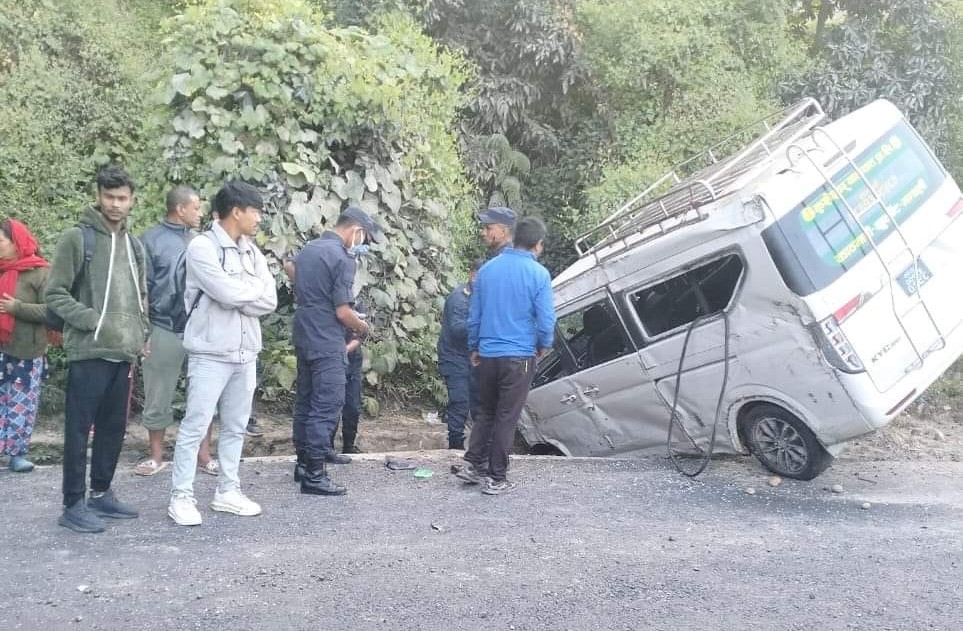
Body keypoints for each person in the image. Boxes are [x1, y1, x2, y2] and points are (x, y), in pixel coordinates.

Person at [167, 180, 277, 526]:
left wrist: (242, 294)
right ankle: (181, 497)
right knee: (196, 425)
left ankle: (227, 491)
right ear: (237, 211)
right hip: (210, 353)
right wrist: (249, 293)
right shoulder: (202, 247)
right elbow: (225, 292)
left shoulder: (251, 251)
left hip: (246, 354)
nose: (259, 219)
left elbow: (270, 300)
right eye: (255, 211)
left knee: (235, 426)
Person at [47, 165, 149, 533]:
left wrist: (142, 334)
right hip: (88, 351)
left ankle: (101, 493)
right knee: (78, 430)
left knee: (113, 428)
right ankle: (72, 503)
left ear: (131, 199)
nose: (116, 204)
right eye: (109, 197)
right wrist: (91, 319)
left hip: (123, 352)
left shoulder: (134, 244)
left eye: (122, 198)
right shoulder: (78, 238)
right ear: (98, 196)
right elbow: (54, 292)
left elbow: (141, 296)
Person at [456, 217, 556, 495]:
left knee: (486, 412)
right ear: (538, 245)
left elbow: (474, 315)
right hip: (519, 356)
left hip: (487, 354)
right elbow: (546, 320)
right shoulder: (538, 274)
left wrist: (474, 347)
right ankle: (496, 478)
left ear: (514, 238)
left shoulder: (487, 271)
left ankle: (472, 464)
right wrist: (542, 344)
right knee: (507, 417)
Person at [292, 206, 380, 496]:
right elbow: (343, 312)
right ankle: (315, 474)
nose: (364, 244)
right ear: (356, 230)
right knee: (327, 404)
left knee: (305, 402)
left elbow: (289, 268)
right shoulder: (343, 258)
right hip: (327, 338)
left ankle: (303, 464)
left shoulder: (309, 249)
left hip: (304, 333)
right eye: (365, 238)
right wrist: (363, 328)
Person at [135, 186, 218, 477]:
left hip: (199, 329)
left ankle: (204, 455)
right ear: (180, 209)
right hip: (163, 328)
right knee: (158, 394)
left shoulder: (202, 242)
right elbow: (139, 290)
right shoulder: (149, 241)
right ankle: (156, 457)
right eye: (196, 207)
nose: (201, 213)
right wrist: (143, 331)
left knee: (205, 394)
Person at [0, 219, 50, 473]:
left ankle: (17, 454)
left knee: (21, 403)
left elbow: (52, 311)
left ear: (16, 242)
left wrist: (16, 308)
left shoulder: (39, 272)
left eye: (1, 242)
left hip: (26, 352)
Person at [437, 258, 484, 450]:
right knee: (460, 402)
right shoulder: (459, 297)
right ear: (473, 274)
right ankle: (455, 447)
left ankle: (477, 448)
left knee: (478, 404)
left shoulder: (482, 298)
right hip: (454, 357)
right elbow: (457, 329)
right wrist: (482, 324)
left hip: (473, 358)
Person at [338, 298, 367, 454]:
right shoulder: (332, 299)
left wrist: (344, 350)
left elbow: (361, 334)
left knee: (353, 406)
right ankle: (326, 447)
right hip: (332, 358)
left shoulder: (359, 301)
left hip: (352, 359)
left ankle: (349, 445)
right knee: (333, 404)